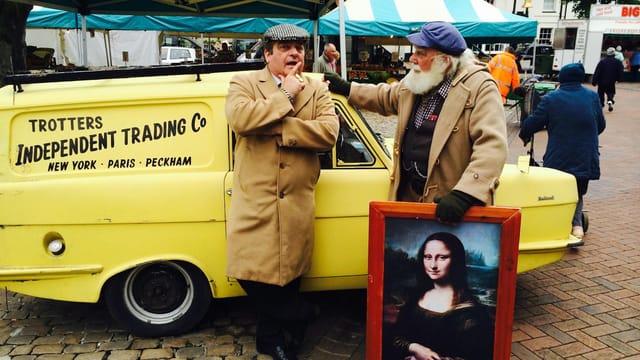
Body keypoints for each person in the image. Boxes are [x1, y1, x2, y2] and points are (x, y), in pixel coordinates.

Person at [225, 23, 339, 360]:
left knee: (289, 275)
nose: (294, 54)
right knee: (253, 274)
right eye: (286, 47)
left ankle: (282, 339)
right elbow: (241, 120)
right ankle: (301, 313)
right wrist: (285, 94)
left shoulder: (317, 88)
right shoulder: (244, 82)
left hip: (297, 200)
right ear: (267, 54)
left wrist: (279, 127)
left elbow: (328, 134)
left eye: (299, 48)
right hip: (256, 201)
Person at [324, 21, 507, 224]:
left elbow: (492, 146)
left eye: (420, 53)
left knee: (441, 255)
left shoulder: (480, 87)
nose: (412, 58)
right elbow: (385, 96)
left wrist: (465, 194)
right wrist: (348, 89)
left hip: (449, 206)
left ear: (444, 61)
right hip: (409, 198)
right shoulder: (420, 81)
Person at [519, 63, 605, 239]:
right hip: (585, 154)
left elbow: (534, 122)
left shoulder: (552, 98)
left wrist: (524, 133)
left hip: (559, 156)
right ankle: (576, 226)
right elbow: (601, 125)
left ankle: (566, 223)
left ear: (562, 78)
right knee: (578, 190)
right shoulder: (592, 97)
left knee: (558, 188)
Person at [386, 232, 495, 359]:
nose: (433, 265)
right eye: (427, 257)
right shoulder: (414, 296)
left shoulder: (470, 312)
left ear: (455, 260)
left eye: (442, 257)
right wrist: (414, 348)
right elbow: (394, 337)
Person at [592, 47, 623, 112]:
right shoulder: (618, 62)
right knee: (611, 92)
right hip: (611, 81)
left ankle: (601, 104)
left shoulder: (602, 61)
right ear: (614, 53)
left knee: (601, 93)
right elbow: (620, 71)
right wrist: (619, 79)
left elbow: (597, 71)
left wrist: (594, 81)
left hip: (601, 81)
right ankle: (610, 100)